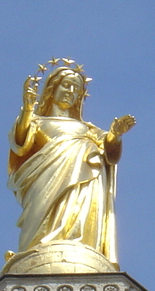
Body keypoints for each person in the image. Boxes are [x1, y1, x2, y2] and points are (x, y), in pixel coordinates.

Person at [8, 61, 135, 263]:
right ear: (52, 88)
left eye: (76, 88)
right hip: (47, 180)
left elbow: (110, 152)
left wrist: (114, 135)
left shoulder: (88, 130)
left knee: (81, 215)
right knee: (40, 223)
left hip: (87, 181)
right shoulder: (37, 122)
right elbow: (20, 143)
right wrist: (27, 110)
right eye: (66, 85)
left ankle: (81, 246)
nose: (71, 91)